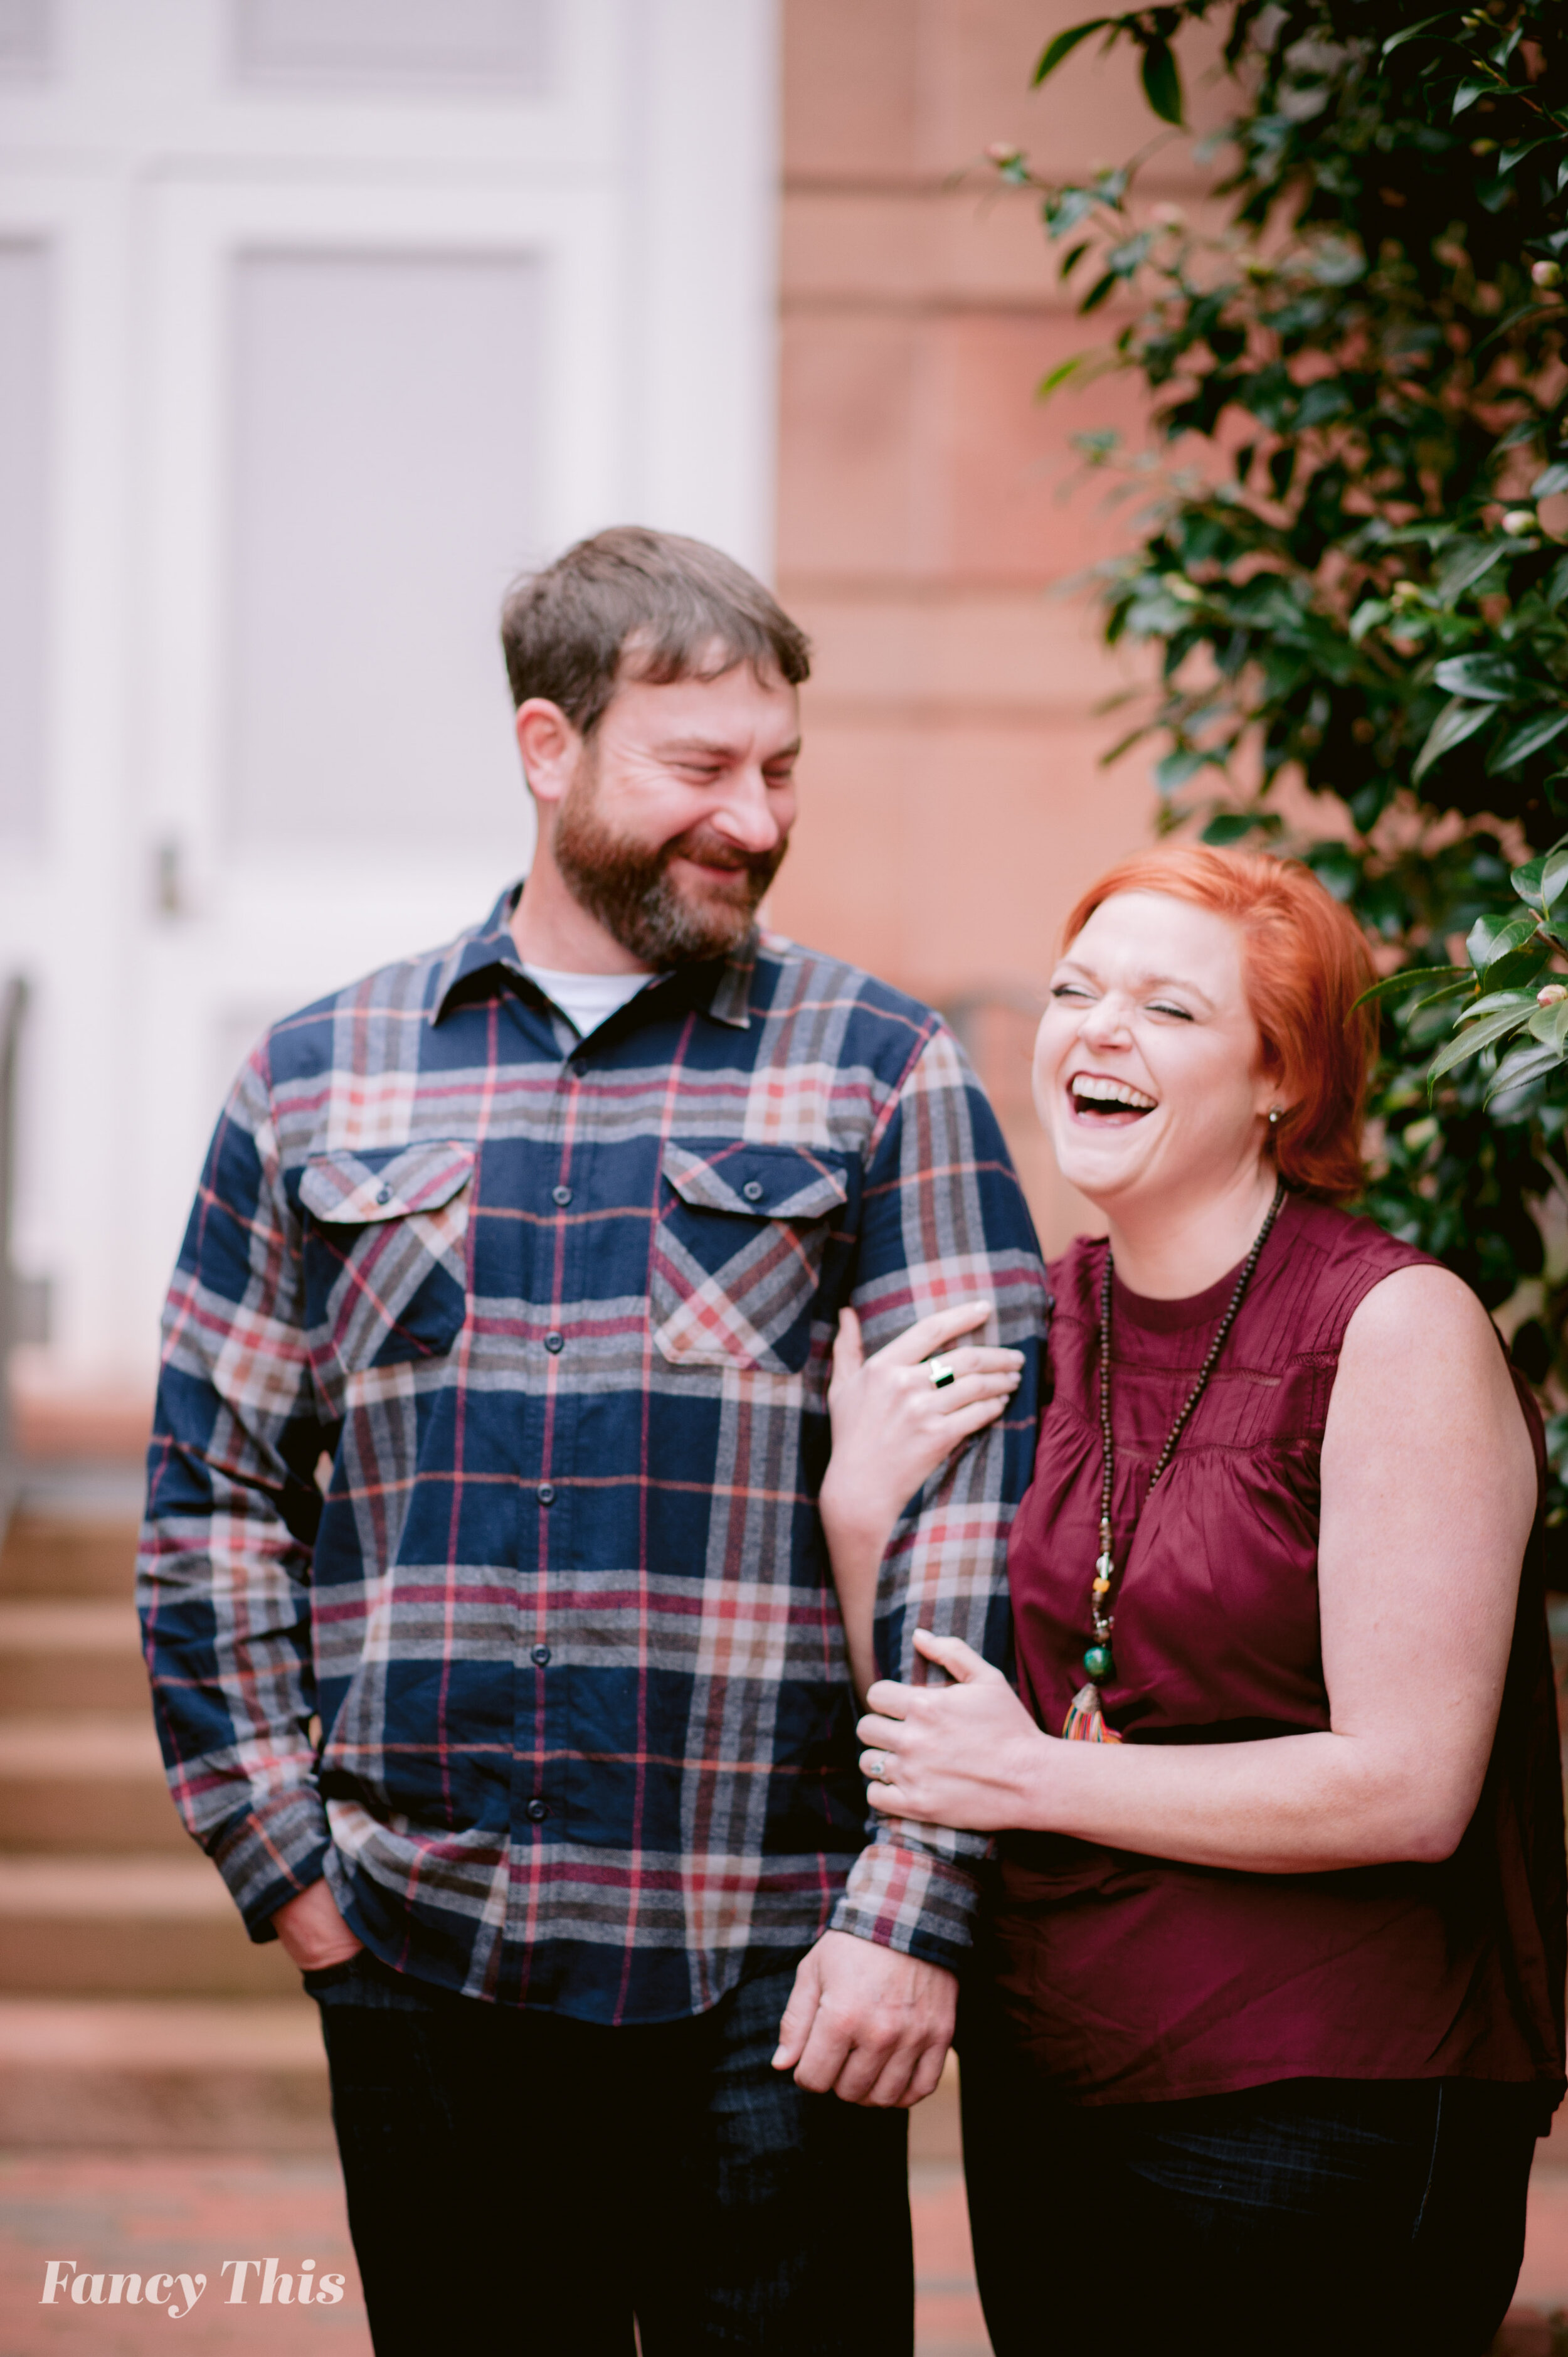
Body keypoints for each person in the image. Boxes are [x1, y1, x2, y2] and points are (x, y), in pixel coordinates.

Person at [136, 526, 1047, 2356]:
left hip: (771, 1960)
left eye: (778, 768)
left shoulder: (880, 1065)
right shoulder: (318, 1075)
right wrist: (292, 1871)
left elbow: (972, 1501)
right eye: (698, 767)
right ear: (548, 748)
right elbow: (211, 1494)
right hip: (416, 1946)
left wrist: (912, 1897)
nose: (754, 817)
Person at [820, 845, 1566, 2357]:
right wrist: (855, 1514)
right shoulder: (1034, 1316)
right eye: (1075, 991)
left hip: (1327, 2099)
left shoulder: (1390, 1329)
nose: (1095, 1032)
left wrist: (1039, 1775)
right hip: (1052, 2084)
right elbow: (944, 1726)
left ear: (1279, 1077)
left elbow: (1407, 1786)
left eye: (1167, 1009)